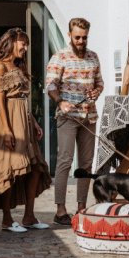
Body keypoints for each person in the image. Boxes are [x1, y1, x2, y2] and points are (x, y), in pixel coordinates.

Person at [0, 27, 52, 232]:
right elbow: (0, 100)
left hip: (25, 120)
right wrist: (7, 129)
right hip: (10, 120)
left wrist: (34, 122)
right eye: (23, 44)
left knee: (35, 168)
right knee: (10, 170)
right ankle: (7, 220)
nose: (25, 48)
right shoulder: (0, 66)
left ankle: (29, 216)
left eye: (27, 44)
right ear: (12, 43)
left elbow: (23, 99)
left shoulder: (19, 66)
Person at [45, 18, 104, 225]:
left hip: (89, 116)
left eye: (84, 38)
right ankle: (60, 210)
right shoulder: (59, 57)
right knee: (65, 161)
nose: (81, 41)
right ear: (69, 35)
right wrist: (60, 102)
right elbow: (50, 85)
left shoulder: (93, 56)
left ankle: (81, 207)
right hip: (68, 117)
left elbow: (100, 82)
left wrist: (97, 91)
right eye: (77, 37)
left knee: (86, 164)